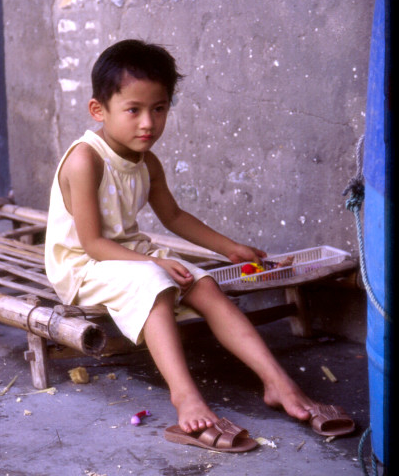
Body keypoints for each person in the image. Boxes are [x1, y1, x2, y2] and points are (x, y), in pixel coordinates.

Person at [44, 39, 354, 452]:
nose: (147, 123)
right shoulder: (87, 159)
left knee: (203, 283)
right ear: (99, 110)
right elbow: (93, 243)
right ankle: (185, 398)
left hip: (127, 255)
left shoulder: (147, 162)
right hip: (84, 265)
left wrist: (229, 248)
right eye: (133, 110)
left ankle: (279, 384)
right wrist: (151, 263)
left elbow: (173, 217)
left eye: (159, 108)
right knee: (156, 277)